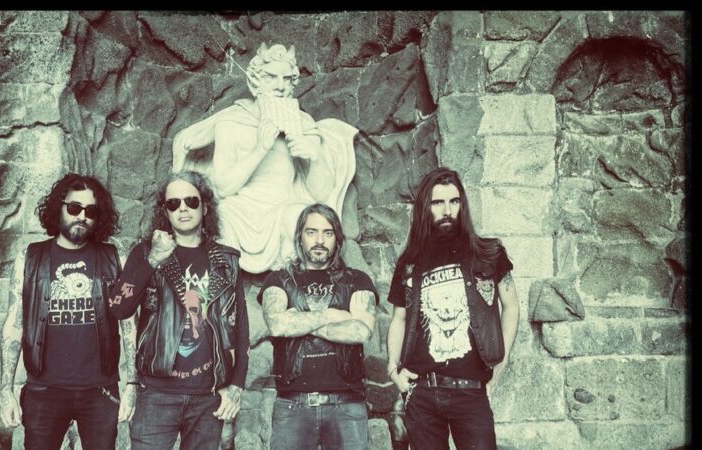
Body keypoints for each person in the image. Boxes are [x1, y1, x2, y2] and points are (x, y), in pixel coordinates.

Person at [172, 43, 358, 274]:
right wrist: (261, 148)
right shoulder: (231, 121)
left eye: (287, 79)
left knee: (304, 218)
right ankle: (225, 288)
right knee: (222, 217)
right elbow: (223, 186)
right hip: (239, 209)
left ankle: (297, 287)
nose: (280, 86)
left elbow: (321, 195)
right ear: (254, 83)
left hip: (284, 207)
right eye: (271, 77)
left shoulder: (302, 123)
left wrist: (315, 158)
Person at [106, 171, 249, 450]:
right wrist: (153, 259)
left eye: (190, 201)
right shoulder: (145, 252)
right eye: (173, 203)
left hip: (208, 396)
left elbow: (241, 327)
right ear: (165, 211)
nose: (182, 208)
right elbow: (119, 308)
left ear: (205, 207)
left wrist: (236, 385)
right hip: (156, 393)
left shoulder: (227, 261)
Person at [386, 167, 520, 449]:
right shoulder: (410, 262)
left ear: (462, 204)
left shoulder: (489, 253)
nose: (447, 210)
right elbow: (399, 318)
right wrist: (393, 369)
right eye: (438, 202)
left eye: (454, 201)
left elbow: (511, 306)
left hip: (470, 391)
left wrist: (503, 360)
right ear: (425, 207)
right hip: (422, 391)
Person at [0, 173, 135, 449]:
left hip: (100, 390)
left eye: (91, 211)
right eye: (74, 207)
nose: (82, 216)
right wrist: (5, 391)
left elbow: (129, 323)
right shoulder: (29, 258)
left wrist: (132, 385)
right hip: (44, 390)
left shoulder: (113, 257)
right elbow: (14, 325)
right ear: (58, 208)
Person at [258, 203, 377, 450]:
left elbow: (361, 331)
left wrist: (299, 321)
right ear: (300, 237)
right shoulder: (278, 279)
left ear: (337, 239)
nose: (319, 240)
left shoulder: (357, 279)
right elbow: (277, 325)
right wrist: (333, 315)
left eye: (328, 233)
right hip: (293, 405)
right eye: (311, 232)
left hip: (347, 405)